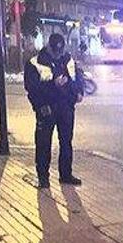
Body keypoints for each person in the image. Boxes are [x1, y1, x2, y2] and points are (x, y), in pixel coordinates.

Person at [24, 34, 84, 189]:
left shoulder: (67, 60)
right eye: (55, 50)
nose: (58, 53)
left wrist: (79, 92)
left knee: (66, 142)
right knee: (44, 144)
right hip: (47, 108)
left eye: (60, 50)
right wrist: (53, 85)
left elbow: (78, 76)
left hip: (66, 107)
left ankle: (66, 174)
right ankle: (43, 178)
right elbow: (32, 88)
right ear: (49, 46)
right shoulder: (36, 63)